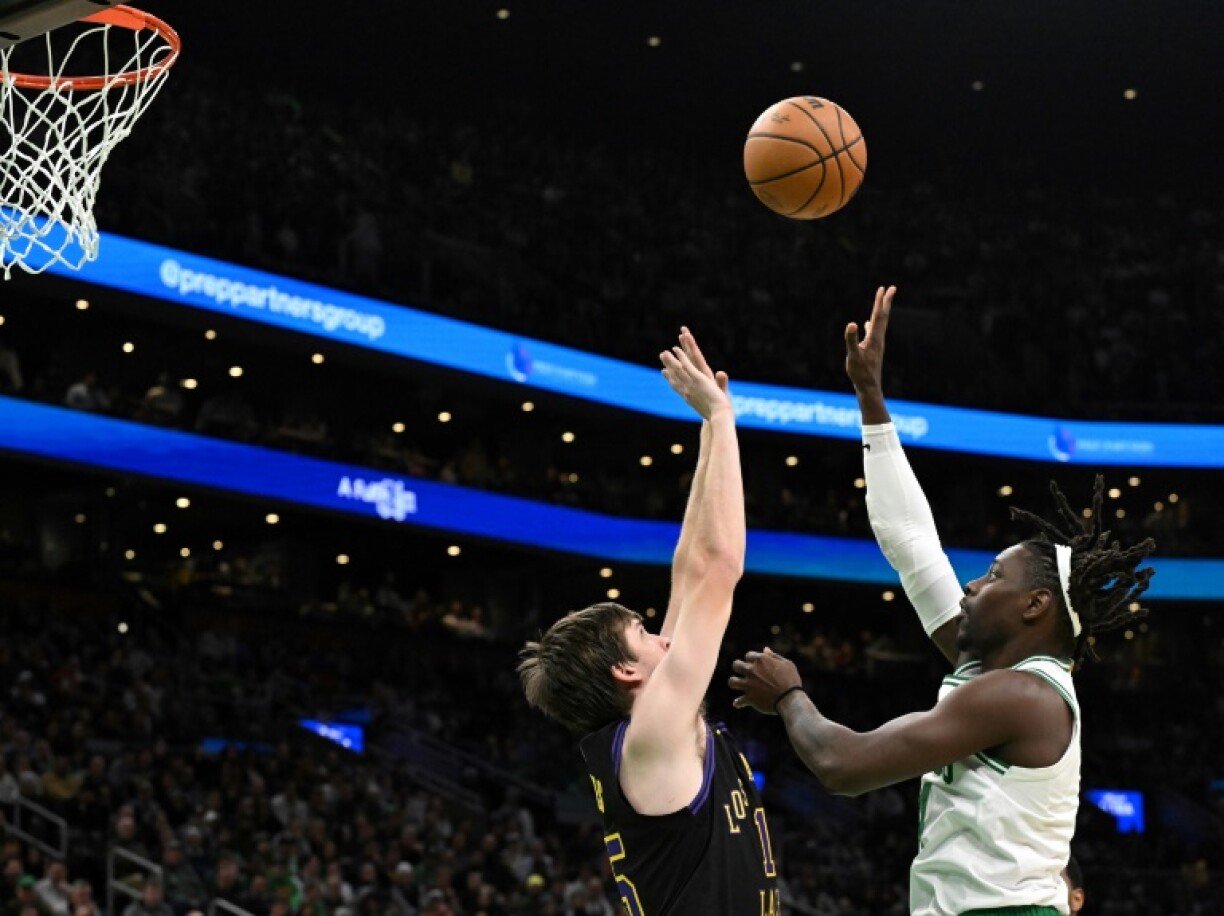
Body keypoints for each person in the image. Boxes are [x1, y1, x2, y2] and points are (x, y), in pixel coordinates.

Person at [729, 287, 1156, 916]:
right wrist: (872, 402)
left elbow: (843, 764)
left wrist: (790, 694)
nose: (975, 586)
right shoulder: (998, 672)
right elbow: (910, 541)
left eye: (992, 575)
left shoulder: (1020, 696)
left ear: (1035, 606)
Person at [519, 328, 780, 914]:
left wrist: (711, 430)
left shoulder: (649, 727)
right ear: (625, 673)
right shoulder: (653, 735)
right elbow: (720, 568)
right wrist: (726, 421)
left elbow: (689, 570)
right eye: (643, 635)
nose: (663, 634)